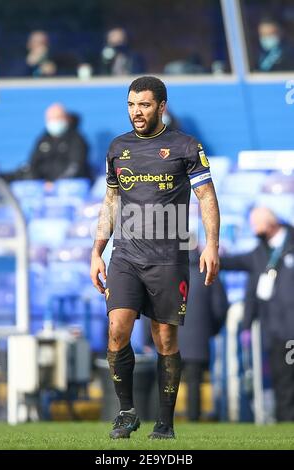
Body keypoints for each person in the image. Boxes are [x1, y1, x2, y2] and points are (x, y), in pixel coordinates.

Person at [90, 76, 220, 439]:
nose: (137, 112)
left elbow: (206, 197)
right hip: (126, 256)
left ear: (161, 106)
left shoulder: (186, 146)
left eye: (144, 105)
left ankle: (164, 422)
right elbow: (111, 201)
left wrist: (212, 244)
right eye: (131, 105)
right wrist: (97, 250)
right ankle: (127, 411)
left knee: (165, 339)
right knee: (117, 328)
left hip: (169, 257)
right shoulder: (118, 147)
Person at [221, 207, 294, 421]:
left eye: (256, 224)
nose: (254, 230)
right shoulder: (260, 253)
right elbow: (233, 262)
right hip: (275, 331)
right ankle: (286, 424)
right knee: (283, 380)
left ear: (270, 224)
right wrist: (209, 255)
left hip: (292, 326)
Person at [179, 248, 228, 421]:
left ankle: (161, 419)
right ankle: (193, 418)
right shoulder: (208, 274)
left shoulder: (168, 272)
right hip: (197, 340)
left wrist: (150, 337)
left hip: (170, 337)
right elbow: (220, 308)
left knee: (166, 379)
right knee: (194, 383)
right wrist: (212, 330)